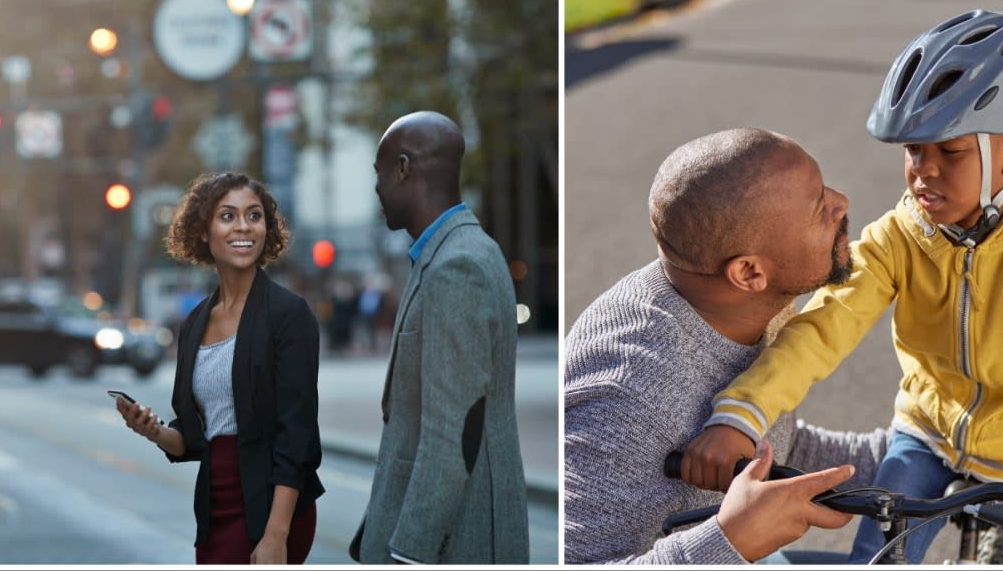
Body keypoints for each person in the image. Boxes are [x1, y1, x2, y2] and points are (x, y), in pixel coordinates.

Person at [682, 10, 1003, 564]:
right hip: (928, 435)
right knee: (874, 560)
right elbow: (824, 324)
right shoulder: (899, 236)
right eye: (914, 151)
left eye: (949, 152)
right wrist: (741, 413)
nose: (924, 170)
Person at [564, 127, 890, 565]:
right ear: (749, 273)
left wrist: (908, 453)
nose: (841, 202)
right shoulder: (629, 396)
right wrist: (731, 537)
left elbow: (773, 443)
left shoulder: (744, 302)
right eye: (818, 207)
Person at [116, 172, 324, 564]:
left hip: (272, 508)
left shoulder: (289, 315)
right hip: (215, 507)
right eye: (227, 216)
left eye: (254, 215)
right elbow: (197, 438)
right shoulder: (194, 322)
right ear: (203, 232)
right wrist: (153, 430)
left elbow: (297, 436)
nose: (243, 226)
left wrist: (276, 535)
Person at [349, 111, 529, 564]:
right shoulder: (451, 253)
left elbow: (454, 429)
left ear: (404, 168)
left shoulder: (457, 267)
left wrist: (409, 554)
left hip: (454, 541)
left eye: (379, 172)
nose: (376, 188)